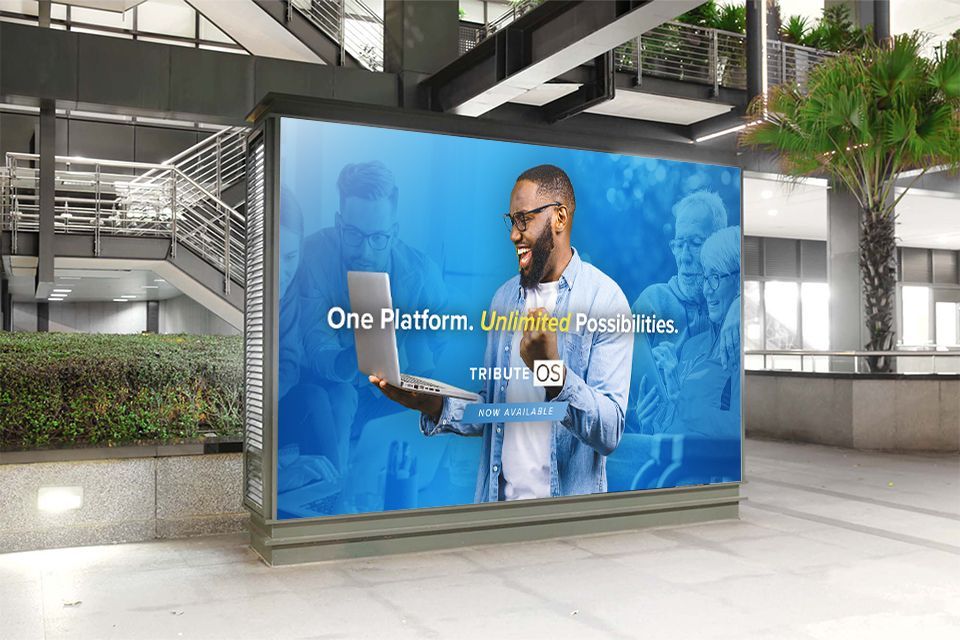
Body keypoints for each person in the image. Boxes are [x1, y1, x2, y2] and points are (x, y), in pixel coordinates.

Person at [370, 164, 634, 502]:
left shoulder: (605, 301)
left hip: (563, 517)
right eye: (512, 221)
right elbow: (496, 411)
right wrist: (433, 403)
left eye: (524, 219)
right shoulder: (504, 299)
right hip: (497, 509)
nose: (513, 235)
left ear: (559, 218)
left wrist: (552, 372)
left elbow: (610, 431)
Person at [294, 161, 450, 459]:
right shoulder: (312, 258)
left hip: (388, 391)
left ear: (394, 232)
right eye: (353, 234)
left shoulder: (421, 274)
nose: (365, 252)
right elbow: (317, 347)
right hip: (330, 387)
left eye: (378, 238)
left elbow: (447, 346)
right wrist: (358, 354)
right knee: (339, 397)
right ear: (339, 224)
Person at [628, 190, 739, 433]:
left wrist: (739, 305)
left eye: (696, 244)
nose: (684, 257)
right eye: (679, 244)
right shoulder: (651, 304)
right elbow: (637, 411)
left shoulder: (728, 306)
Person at [275, 189, 341, 495]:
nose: (281, 272)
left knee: (320, 395)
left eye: (290, 257)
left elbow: (288, 362)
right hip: (249, 403)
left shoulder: (288, 291)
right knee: (314, 397)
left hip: (272, 394)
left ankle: (331, 492)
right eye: (273, 257)